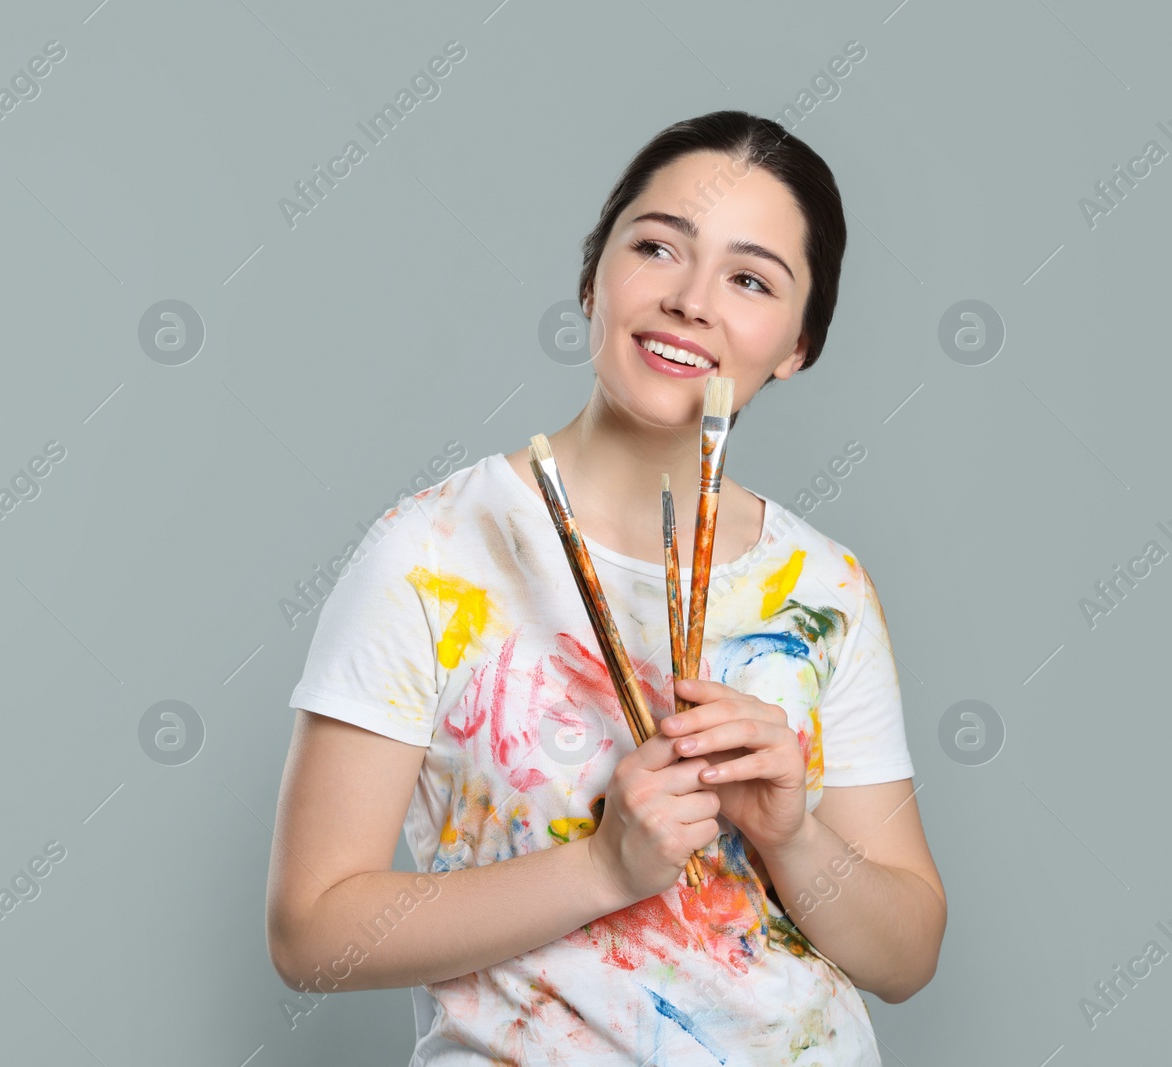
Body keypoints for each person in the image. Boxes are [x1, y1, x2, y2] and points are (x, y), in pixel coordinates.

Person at [265, 110, 947, 1065]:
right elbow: (311, 934)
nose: (692, 300)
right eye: (659, 247)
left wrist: (794, 837)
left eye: (750, 279)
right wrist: (600, 866)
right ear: (596, 275)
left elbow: (907, 952)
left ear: (798, 344)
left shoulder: (823, 590)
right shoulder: (431, 551)